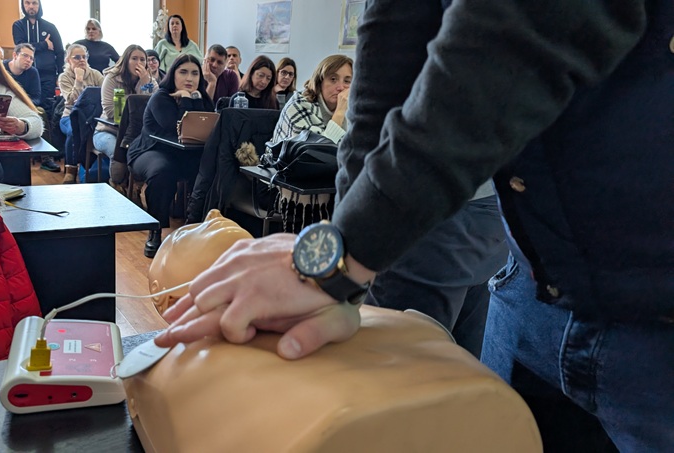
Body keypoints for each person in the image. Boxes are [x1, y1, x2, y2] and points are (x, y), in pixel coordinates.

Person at [155, 0, 672, 451]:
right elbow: (381, 85)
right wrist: (339, 268)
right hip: (533, 288)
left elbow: (524, 31)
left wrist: (342, 256)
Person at [127, 54, 214, 257]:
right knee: (162, 171)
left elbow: (206, 129)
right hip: (151, 150)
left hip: (185, 154)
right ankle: (155, 230)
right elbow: (180, 128)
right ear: (173, 74)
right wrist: (186, 99)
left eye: (195, 73)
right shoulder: (161, 97)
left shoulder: (201, 97)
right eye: (183, 72)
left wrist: (194, 99)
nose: (189, 78)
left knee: (211, 168)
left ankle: (195, 225)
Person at [12, 0, 63, 171]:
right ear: (23, 5)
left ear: (39, 5)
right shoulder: (18, 25)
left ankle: (46, 156)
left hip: (47, 75)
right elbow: (21, 47)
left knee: (45, 111)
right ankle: (25, 153)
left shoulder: (50, 27)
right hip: (25, 74)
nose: (31, 6)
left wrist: (60, 74)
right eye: (27, 3)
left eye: (34, 3)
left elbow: (59, 51)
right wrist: (44, 45)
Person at [93, 45, 157, 169]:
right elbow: (110, 111)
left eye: (142, 59)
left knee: (148, 155)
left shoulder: (150, 82)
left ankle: (134, 180)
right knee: (118, 153)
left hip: (138, 133)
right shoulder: (112, 78)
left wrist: (144, 85)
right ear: (126, 60)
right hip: (109, 131)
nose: (139, 63)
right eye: (134, 58)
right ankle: (116, 180)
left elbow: (153, 109)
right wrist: (132, 104)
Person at [271, 54, 351, 144]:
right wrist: (339, 112)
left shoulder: (351, 108)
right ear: (319, 82)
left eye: (347, 81)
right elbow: (318, 149)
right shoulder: (299, 104)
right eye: (333, 79)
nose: (341, 87)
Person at [58, 43, 103, 183]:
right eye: (77, 57)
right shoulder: (64, 77)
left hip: (92, 117)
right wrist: (78, 80)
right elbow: (71, 101)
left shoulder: (95, 74)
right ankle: (71, 170)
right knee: (74, 130)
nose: (82, 60)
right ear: (68, 60)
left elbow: (105, 94)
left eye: (84, 57)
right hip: (69, 116)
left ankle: (89, 168)